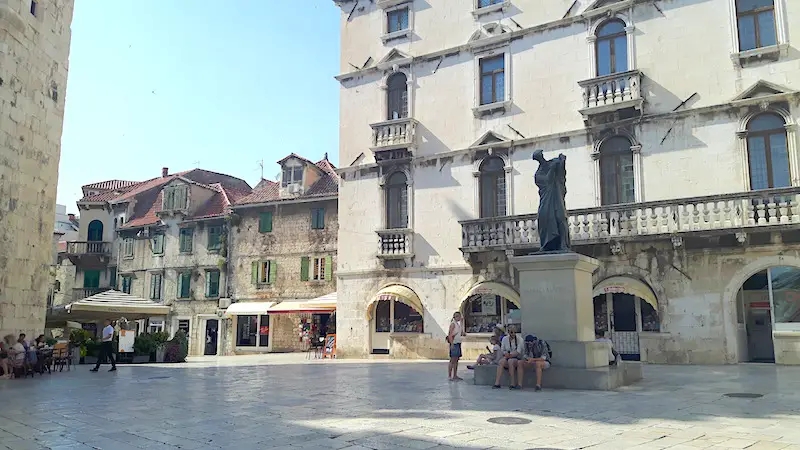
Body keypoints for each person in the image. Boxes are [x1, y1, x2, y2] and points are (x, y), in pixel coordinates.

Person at [447, 311, 466, 381]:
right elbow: (450, 335)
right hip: (454, 343)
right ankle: (450, 375)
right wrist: (452, 344)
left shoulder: (458, 325)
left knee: (457, 360)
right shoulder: (453, 324)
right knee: (452, 360)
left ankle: (455, 375)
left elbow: (461, 332)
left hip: (458, 343)